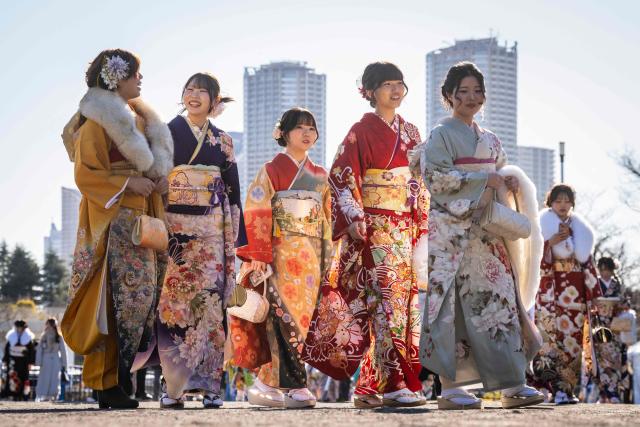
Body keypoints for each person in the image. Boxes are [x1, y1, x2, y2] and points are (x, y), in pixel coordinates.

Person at [411, 61, 544, 410]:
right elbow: (437, 180)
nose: (471, 98)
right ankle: (452, 386)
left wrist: (507, 183)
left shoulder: (491, 140)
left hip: (488, 236)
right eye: (463, 91)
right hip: (454, 236)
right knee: (453, 307)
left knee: (501, 304)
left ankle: (513, 382)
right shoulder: (440, 135)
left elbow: (498, 175)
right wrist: (486, 182)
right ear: (448, 96)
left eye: (477, 91)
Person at [302, 62, 430, 408]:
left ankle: (370, 387)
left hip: (403, 230)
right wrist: (355, 217)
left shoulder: (413, 133)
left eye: (400, 84)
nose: (396, 90)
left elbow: (419, 183)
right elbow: (342, 176)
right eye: (387, 84)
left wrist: (420, 225)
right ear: (370, 91)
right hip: (372, 230)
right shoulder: (360, 130)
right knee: (384, 305)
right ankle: (392, 384)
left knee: (399, 309)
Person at [60, 48, 173, 409]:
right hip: (113, 224)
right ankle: (106, 383)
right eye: (135, 73)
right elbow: (85, 174)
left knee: (137, 304)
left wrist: (157, 183)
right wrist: (127, 185)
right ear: (115, 77)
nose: (140, 79)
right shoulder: (97, 122)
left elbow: (145, 172)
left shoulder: (134, 119)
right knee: (110, 302)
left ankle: (120, 379)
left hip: (140, 223)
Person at [133, 72, 246, 409]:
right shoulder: (165, 133)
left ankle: (212, 387)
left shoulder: (223, 141)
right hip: (175, 231)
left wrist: (234, 241)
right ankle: (174, 388)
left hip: (211, 232)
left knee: (211, 307)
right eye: (189, 89)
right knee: (174, 307)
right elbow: (152, 175)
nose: (194, 95)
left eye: (203, 91)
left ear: (214, 101)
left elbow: (233, 192)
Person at [229, 107, 332, 408]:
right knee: (279, 317)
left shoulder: (320, 175)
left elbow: (326, 219)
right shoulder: (271, 170)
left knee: (304, 320)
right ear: (284, 134)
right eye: (300, 128)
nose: (307, 133)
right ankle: (293, 385)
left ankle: (267, 383)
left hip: (310, 256)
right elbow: (257, 208)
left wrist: (329, 258)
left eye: (311, 128)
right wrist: (259, 254)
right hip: (279, 254)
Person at [530, 184, 602, 404]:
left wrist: (594, 292)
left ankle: (565, 390)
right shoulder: (542, 223)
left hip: (575, 293)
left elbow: (587, 262)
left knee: (572, 342)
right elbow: (531, 258)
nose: (562, 205)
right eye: (558, 200)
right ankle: (542, 387)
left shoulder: (580, 228)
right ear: (550, 203)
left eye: (566, 201)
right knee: (546, 339)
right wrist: (551, 243)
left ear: (572, 203)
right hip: (549, 292)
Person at [584, 257, 632, 402]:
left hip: (615, 326)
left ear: (612, 270)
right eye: (602, 269)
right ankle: (604, 393)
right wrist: (594, 303)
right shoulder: (594, 283)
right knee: (600, 361)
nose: (605, 273)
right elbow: (588, 300)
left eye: (608, 270)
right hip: (599, 325)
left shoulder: (618, 284)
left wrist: (620, 305)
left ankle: (614, 392)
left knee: (615, 360)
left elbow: (626, 302)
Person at [35, 318, 67, 401]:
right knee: (44, 377)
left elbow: (63, 351)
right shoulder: (43, 336)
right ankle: (43, 395)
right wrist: (38, 361)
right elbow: (39, 349)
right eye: (48, 324)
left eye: (50, 324)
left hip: (55, 359)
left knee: (55, 378)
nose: (49, 326)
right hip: (45, 359)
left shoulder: (59, 337)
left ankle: (54, 395)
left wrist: (64, 364)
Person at [2, 320, 35, 401]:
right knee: (13, 377)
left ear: (23, 328)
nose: (19, 329)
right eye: (17, 327)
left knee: (24, 377)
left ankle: (23, 395)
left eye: (20, 327)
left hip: (24, 361)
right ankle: (13, 394)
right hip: (13, 361)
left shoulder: (28, 337)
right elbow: (7, 350)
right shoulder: (11, 337)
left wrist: (30, 362)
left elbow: (31, 351)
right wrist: (5, 360)